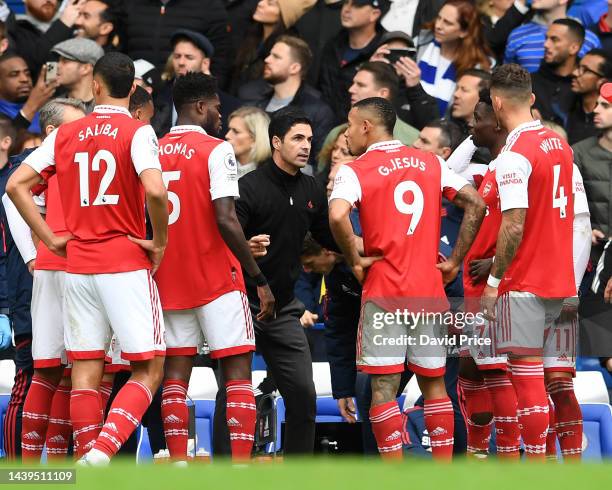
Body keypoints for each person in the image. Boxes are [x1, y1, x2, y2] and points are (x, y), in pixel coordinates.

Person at [6, 52, 169, 466]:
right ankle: (100, 453)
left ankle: (81, 465)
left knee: (83, 370)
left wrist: (48, 238)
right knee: (149, 368)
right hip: (123, 260)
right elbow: (155, 190)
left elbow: (16, 185)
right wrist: (160, 241)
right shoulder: (138, 131)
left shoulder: (66, 133)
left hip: (76, 264)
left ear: (95, 85)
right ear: (131, 88)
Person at [329, 96, 485, 460]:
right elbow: (476, 203)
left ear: (366, 125)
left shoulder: (356, 169)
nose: (347, 133)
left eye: (350, 125)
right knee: (434, 385)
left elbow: (338, 216)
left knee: (383, 386)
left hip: (384, 290)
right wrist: (455, 262)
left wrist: (354, 258)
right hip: (428, 292)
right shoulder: (431, 162)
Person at [154, 72, 274, 463]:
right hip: (216, 277)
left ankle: (177, 463)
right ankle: (238, 469)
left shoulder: (152, 148)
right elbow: (226, 218)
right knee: (238, 371)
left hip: (168, 278)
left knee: (175, 376)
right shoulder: (216, 149)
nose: (221, 117)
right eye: (218, 109)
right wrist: (258, 277)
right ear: (201, 107)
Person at [214, 107, 338, 455]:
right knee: (232, 396)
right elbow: (221, 239)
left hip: (283, 309)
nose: (306, 146)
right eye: (298, 138)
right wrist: (246, 248)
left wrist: (368, 250)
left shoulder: (312, 187)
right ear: (276, 142)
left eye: (310, 140)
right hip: (242, 305)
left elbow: (330, 238)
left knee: (303, 394)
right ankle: (227, 473)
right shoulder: (248, 188)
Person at [480, 64, 579, 459]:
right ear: (532, 99)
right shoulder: (560, 144)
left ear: (497, 103)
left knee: (527, 380)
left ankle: (534, 471)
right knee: (560, 383)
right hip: (564, 282)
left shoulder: (514, 156)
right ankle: (571, 472)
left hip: (525, 284)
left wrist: (492, 282)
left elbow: (514, 224)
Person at [3, 98, 86, 462]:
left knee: (65, 376)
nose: (84, 134)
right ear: (51, 133)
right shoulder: (26, 170)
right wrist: (36, 254)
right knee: (33, 376)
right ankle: (19, 469)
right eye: (75, 126)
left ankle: (54, 471)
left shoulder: (72, 167)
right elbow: (13, 201)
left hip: (63, 278)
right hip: (34, 288)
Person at [454, 89, 519, 458]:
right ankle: (479, 455)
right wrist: (478, 131)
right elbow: (449, 170)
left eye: (476, 119)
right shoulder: (486, 169)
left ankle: (511, 457)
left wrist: (495, 261)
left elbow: (524, 223)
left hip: (499, 286)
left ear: (495, 121)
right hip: (474, 285)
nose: (470, 124)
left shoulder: (513, 165)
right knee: (471, 368)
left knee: (495, 371)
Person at [238, 35, 335, 170]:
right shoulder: (255, 105)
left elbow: (320, 164)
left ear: (294, 68)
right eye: (269, 55)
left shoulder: (317, 111)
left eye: (276, 57)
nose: (267, 60)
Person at [119, 0, 232, 88]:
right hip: (135, 92)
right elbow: (121, 51)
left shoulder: (209, 6)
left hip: (187, 96)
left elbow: (220, 59)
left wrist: (212, 92)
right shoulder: (130, 4)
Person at [0, 114, 26, 460]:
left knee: (29, 381)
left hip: (14, 301)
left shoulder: (18, 182)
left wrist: (5, 308)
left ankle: (19, 470)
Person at [321, 62, 419, 155]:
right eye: (353, 83)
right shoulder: (338, 133)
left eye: (361, 85)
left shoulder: (413, 140)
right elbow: (323, 172)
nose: (351, 89)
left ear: (383, 93)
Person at [158, 29, 241, 137]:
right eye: (177, 56)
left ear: (205, 63)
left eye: (189, 57)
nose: (181, 62)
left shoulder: (229, 105)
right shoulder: (158, 96)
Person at [416, 0, 492, 115]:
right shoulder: (420, 43)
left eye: (447, 23)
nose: (438, 26)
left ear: (464, 32)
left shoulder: (475, 69)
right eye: (439, 18)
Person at [318, 0, 390, 122]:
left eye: (357, 5)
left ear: (374, 14)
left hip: (360, 129)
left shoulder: (385, 51)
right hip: (325, 128)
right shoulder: (333, 45)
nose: (346, 9)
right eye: (346, 2)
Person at [232, 0, 317, 93]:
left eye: (270, 4)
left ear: (284, 16)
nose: (260, 4)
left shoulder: (286, 50)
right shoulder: (250, 34)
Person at [369, 31, 440, 130]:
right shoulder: (362, 83)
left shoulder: (418, 95)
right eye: (391, 54)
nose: (397, 60)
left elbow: (430, 128)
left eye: (402, 54)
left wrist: (415, 88)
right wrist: (371, 73)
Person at [504, 0, 601, 73]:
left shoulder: (589, 39)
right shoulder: (517, 35)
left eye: (554, 39)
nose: (546, 44)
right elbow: (507, 81)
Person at [4, 0, 83, 78]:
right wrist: (63, 24)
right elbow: (34, 67)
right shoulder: (12, 29)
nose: (48, 0)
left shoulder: (75, 25)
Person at [532, 18, 586, 126]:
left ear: (574, 48)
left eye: (554, 39)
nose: (546, 44)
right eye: (546, 38)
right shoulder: (530, 82)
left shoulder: (584, 86)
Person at [566, 48, 612, 144]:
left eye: (585, 70)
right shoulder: (566, 109)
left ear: (602, 82)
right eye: (578, 67)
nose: (574, 73)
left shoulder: (607, 123)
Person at [51, 37, 105, 113]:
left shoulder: (108, 107)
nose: (57, 66)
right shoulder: (54, 107)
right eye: (59, 61)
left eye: (65, 61)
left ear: (86, 68)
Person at [225, 106, 272, 178]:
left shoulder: (270, 175)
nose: (227, 135)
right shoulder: (219, 166)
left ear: (255, 139)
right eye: (229, 130)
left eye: (236, 131)